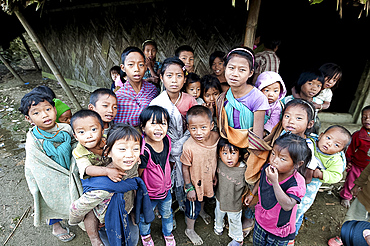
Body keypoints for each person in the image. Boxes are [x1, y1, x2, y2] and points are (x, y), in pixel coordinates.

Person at [215, 46, 269, 237]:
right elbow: (222, 125)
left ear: (251, 73)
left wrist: (247, 154)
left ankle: (247, 215)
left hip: (249, 148)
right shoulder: (224, 97)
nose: (234, 74)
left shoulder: (258, 98)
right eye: (231, 68)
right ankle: (226, 210)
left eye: (242, 69)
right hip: (229, 146)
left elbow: (258, 135)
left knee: (247, 181)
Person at [72, 123, 153, 246]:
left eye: (135, 148)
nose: (130, 154)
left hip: (126, 211)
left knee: (133, 239)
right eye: (122, 149)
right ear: (108, 152)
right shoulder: (102, 189)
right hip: (107, 221)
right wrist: (81, 221)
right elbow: (76, 209)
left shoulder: (131, 166)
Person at [19, 91, 81, 242]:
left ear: (54, 109)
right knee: (50, 198)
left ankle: (79, 218)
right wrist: (51, 177)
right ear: (29, 119)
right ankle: (56, 226)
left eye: (48, 109)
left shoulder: (66, 129)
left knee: (76, 197)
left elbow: (77, 147)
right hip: (49, 178)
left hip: (69, 170)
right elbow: (35, 163)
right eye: (37, 112)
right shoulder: (33, 140)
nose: (45, 115)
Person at [68, 110, 127, 246]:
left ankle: (109, 223)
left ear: (102, 129)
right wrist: (107, 171)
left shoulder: (109, 140)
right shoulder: (79, 151)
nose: (89, 135)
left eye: (94, 129)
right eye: (81, 132)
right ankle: (94, 238)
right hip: (92, 181)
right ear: (75, 136)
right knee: (90, 213)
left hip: (110, 178)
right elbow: (87, 169)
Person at [150, 57, 197, 214]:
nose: (174, 80)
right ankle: (167, 209)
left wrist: (183, 142)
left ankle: (185, 206)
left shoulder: (190, 100)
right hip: (165, 148)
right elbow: (153, 129)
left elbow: (196, 125)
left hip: (187, 146)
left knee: (186, 175)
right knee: (166, 177)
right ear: (162, 77)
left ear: (184, 79)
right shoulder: (157, 103)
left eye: (179, 75)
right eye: (169, 75)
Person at [245, 133, 310, 246]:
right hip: (261, 221)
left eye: (282, 158)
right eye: (273, 154)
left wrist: (275, 182)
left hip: (278, 231)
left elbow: (288, 205)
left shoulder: (297, 183)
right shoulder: (268, 168)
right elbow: (261, 180)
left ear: (298, 164)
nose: (274, 160)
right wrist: (252, 193)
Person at [295, 125, 351, 235]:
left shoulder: (335, 160)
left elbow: (336, 176)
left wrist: (321, 174)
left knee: (299, 208)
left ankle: (292, 232)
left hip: (311, 186)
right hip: (296, 176)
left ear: (341, 150)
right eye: (328, 138)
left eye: (336, 145)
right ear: (321, 136)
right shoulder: (310, 141)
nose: (329, 143)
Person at [181, 105, 220, 245]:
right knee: (192, 206)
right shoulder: (188, 146)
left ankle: (202, 211)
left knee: (204, 197)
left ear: (212, 125)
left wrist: (214, 175)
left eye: (203, 127)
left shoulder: (216, 137)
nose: (198, 132)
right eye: (193, 128)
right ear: (188, 127)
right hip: (194, 183)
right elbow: (185, 168)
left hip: (208, 178)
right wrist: (189, 188)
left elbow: (214, 158)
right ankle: (189, 229)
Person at [138, 106, 176, 246]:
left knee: (167, 213)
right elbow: (139, 173)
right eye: (153, 123)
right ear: (143, 127)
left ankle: (168, 233)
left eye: (163, 123)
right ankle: (146, 235)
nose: (159, 127)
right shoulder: (144, 151)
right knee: (145, 217)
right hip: (149, 194)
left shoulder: (167, 141)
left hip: (166, 190)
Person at [328, 160, 370, 246]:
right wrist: (358, 184)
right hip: (364, 198)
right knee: (352, 219)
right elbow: (367, 170)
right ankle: (345, 237)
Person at [214, 138, 247, 246]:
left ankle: (237, 238)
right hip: (220, 197)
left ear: (240, 154)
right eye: (224, 153)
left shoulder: (243, 169)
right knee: (218, 213)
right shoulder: (220, 163)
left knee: (235, 221)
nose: (229, 157)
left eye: (233, 153)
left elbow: (250, 185)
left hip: (235, 202)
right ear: (219, 154)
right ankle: (218, 226)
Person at [115, 46, 158, 127]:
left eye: (141, 64)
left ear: (145, 67)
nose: (136, 69)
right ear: (123, 68)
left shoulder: (152, 90)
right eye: (131, 64)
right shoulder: (118, 96)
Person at [340, 105, 370, 208]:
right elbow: (350, 149)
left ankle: (360, 197)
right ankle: (346, 196)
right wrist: (348, 161)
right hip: (357, 164)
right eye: (364, 117)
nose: (367, 120)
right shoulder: (358, 135)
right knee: (351, 181)